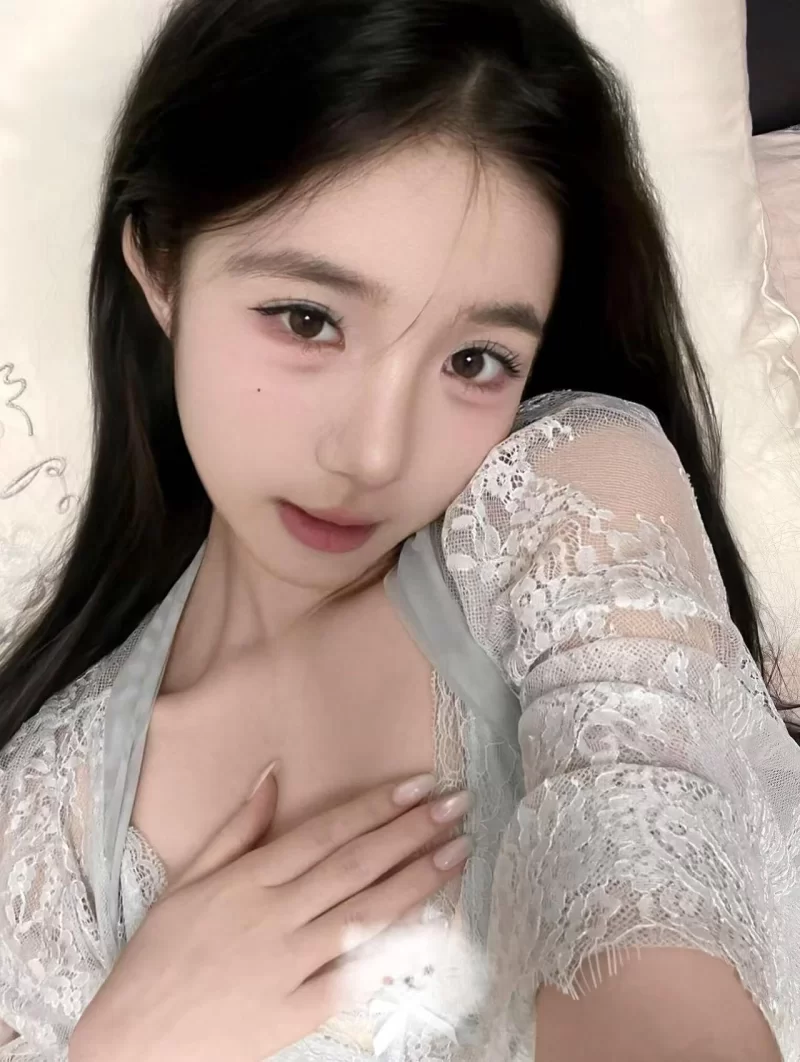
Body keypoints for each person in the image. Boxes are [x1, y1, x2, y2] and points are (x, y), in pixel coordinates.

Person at [0, 0, 797, 1059]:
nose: (375, 454)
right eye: (308, 320)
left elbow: (653, 934)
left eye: (474, 361)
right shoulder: (50, 819)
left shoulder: (562, 505)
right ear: (159, 266)